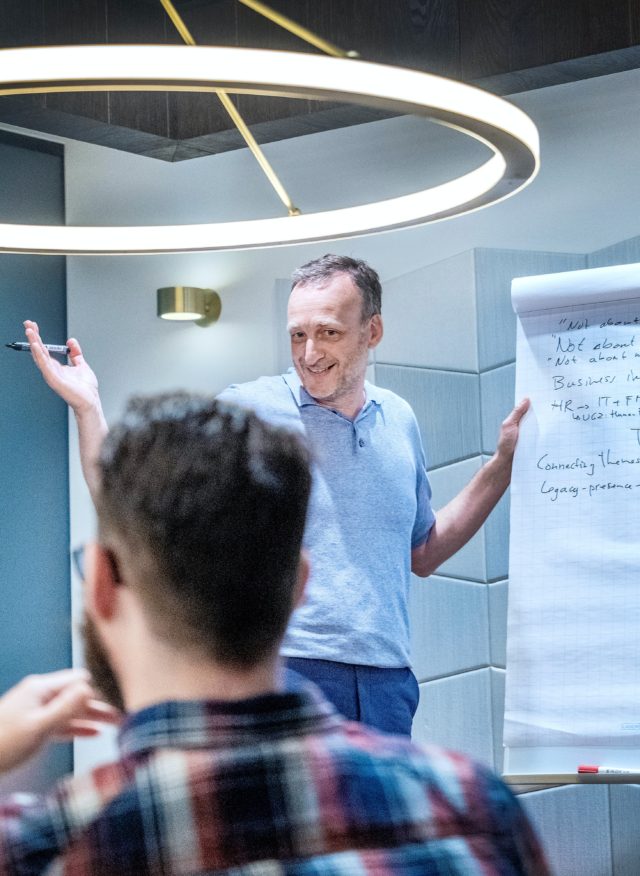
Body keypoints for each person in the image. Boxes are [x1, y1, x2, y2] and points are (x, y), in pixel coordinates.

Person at [0, 392, 549, 874]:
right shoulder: (475, 813)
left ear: (100, 582)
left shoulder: (43, 847)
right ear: (299, 585)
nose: (312, 348)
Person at [24, 254, 528, 737]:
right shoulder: (249, 412)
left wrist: (502, 465)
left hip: (386, 678)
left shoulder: (399, 418)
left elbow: (423, 551)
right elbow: (134, 506)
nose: (311, 354)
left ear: (371, 331)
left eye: (328, 333)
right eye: (298, 336)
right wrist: (89, 409)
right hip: (285, 667)